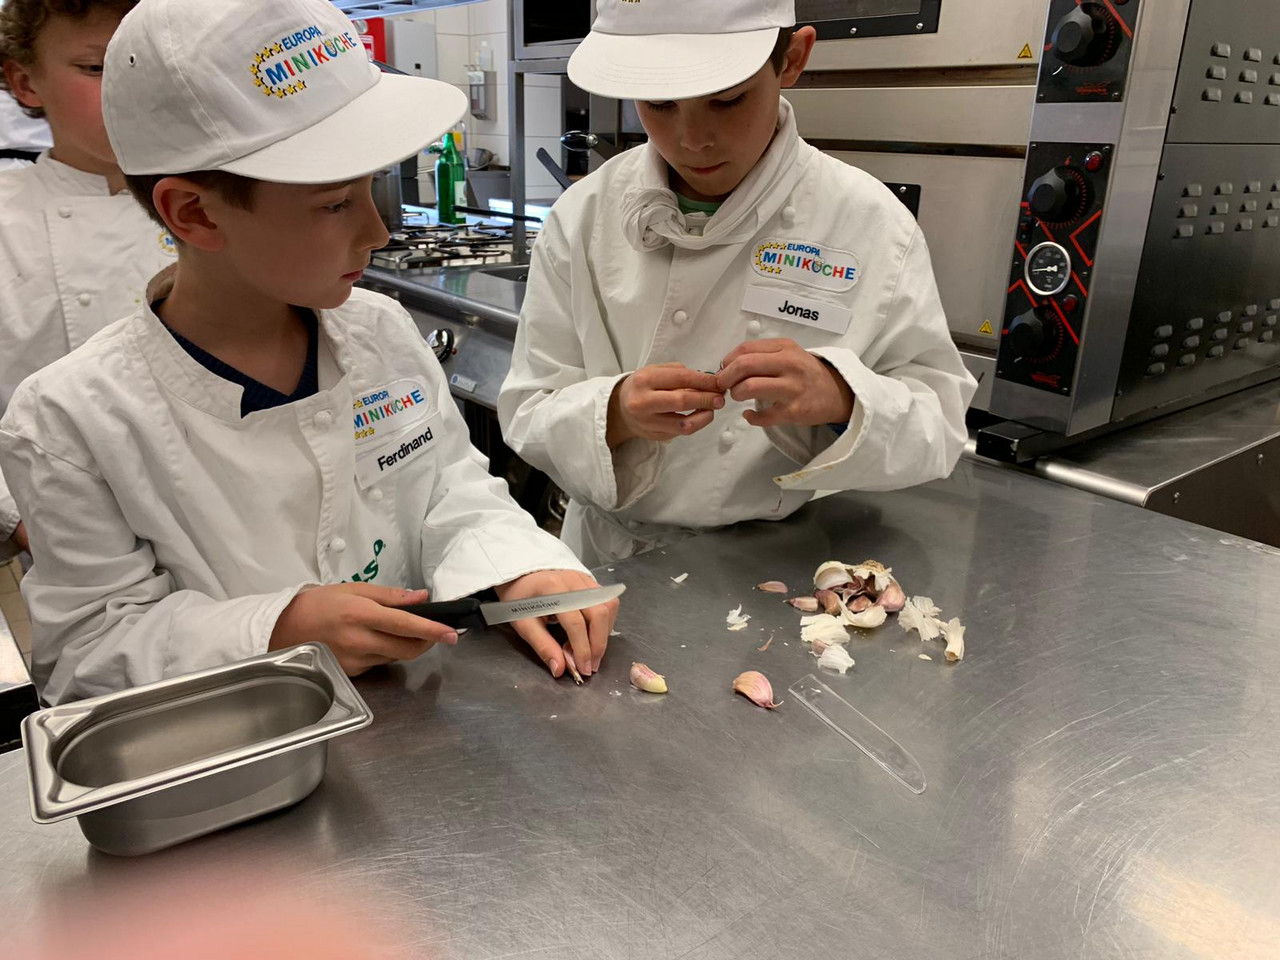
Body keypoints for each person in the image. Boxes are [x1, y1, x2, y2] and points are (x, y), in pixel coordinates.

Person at [0, 0, 617, 705]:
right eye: (334, 204)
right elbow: (87, 652)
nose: (378, 232)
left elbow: (450, 487)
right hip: (238, 744)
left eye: (372, 189)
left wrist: (518, 564)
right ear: (193, 213)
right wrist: (275, 630)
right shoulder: (68, 420)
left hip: (413, 722)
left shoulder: (379, 331)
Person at [498, 0, 978, 566]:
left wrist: (843, 398)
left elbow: (940, 424)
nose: (692, 139)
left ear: (792, 59)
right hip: (607, 559)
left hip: (779, 561)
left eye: (727, 100)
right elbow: (528, 409)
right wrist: (615, 413)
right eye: (659, 104)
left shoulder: (870, 224)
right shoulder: (584, 215)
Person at [0, 0, 177, 564]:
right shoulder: (6, 223)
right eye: (97, 68)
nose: (130, 88)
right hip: (76, 542)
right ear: (25, 82)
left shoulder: (218, 206)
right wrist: (19, 517)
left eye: (145, 63)